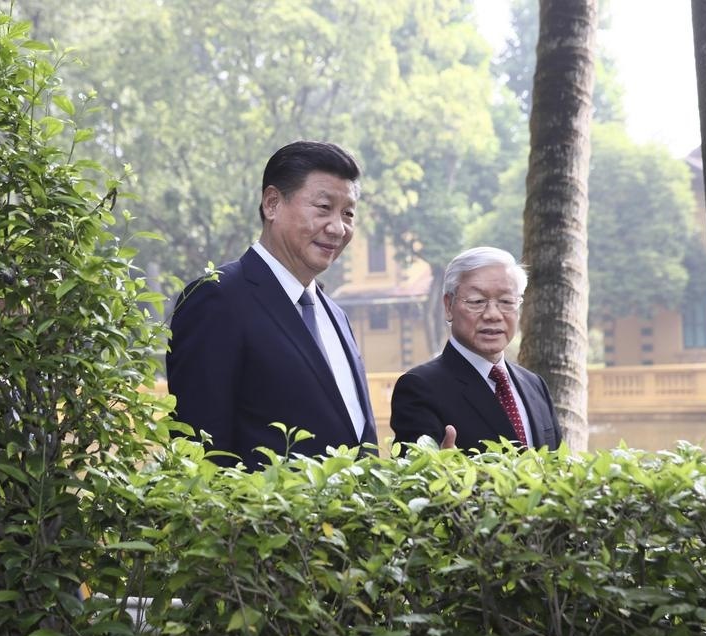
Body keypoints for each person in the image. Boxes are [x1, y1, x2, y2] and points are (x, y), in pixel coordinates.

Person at [167, 141, 376, 470]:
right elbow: (200, 452)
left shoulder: (336, 316)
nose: (338, 228)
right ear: (272, 204)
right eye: (324, 207)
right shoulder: (217, 298)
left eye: (348, 213)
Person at [390, 246, 561, 452]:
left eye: (506, 301)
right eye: (477, 301)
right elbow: (414, 469)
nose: (493, 315)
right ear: (449, 306)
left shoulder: (534, 385)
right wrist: (442, 467)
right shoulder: (420, 388)